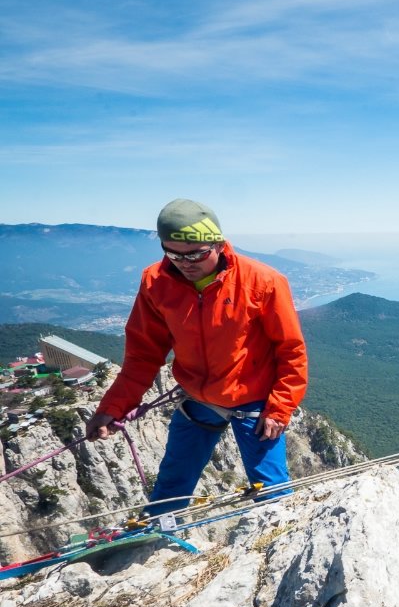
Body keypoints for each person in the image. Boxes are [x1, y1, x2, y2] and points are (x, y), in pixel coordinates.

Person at [86, 198, 308, 515]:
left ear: (217, 244)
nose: (185, 263)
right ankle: (157, 536)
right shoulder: (155, 282)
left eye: (196, 254)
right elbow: (142, 356)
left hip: (254, 402)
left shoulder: (263, 281)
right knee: (171, 485)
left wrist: (280, 407)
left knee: (271, 492)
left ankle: (283, 535)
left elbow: (291, 350)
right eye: (173, 254)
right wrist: (112, 408)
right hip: (198, 398)